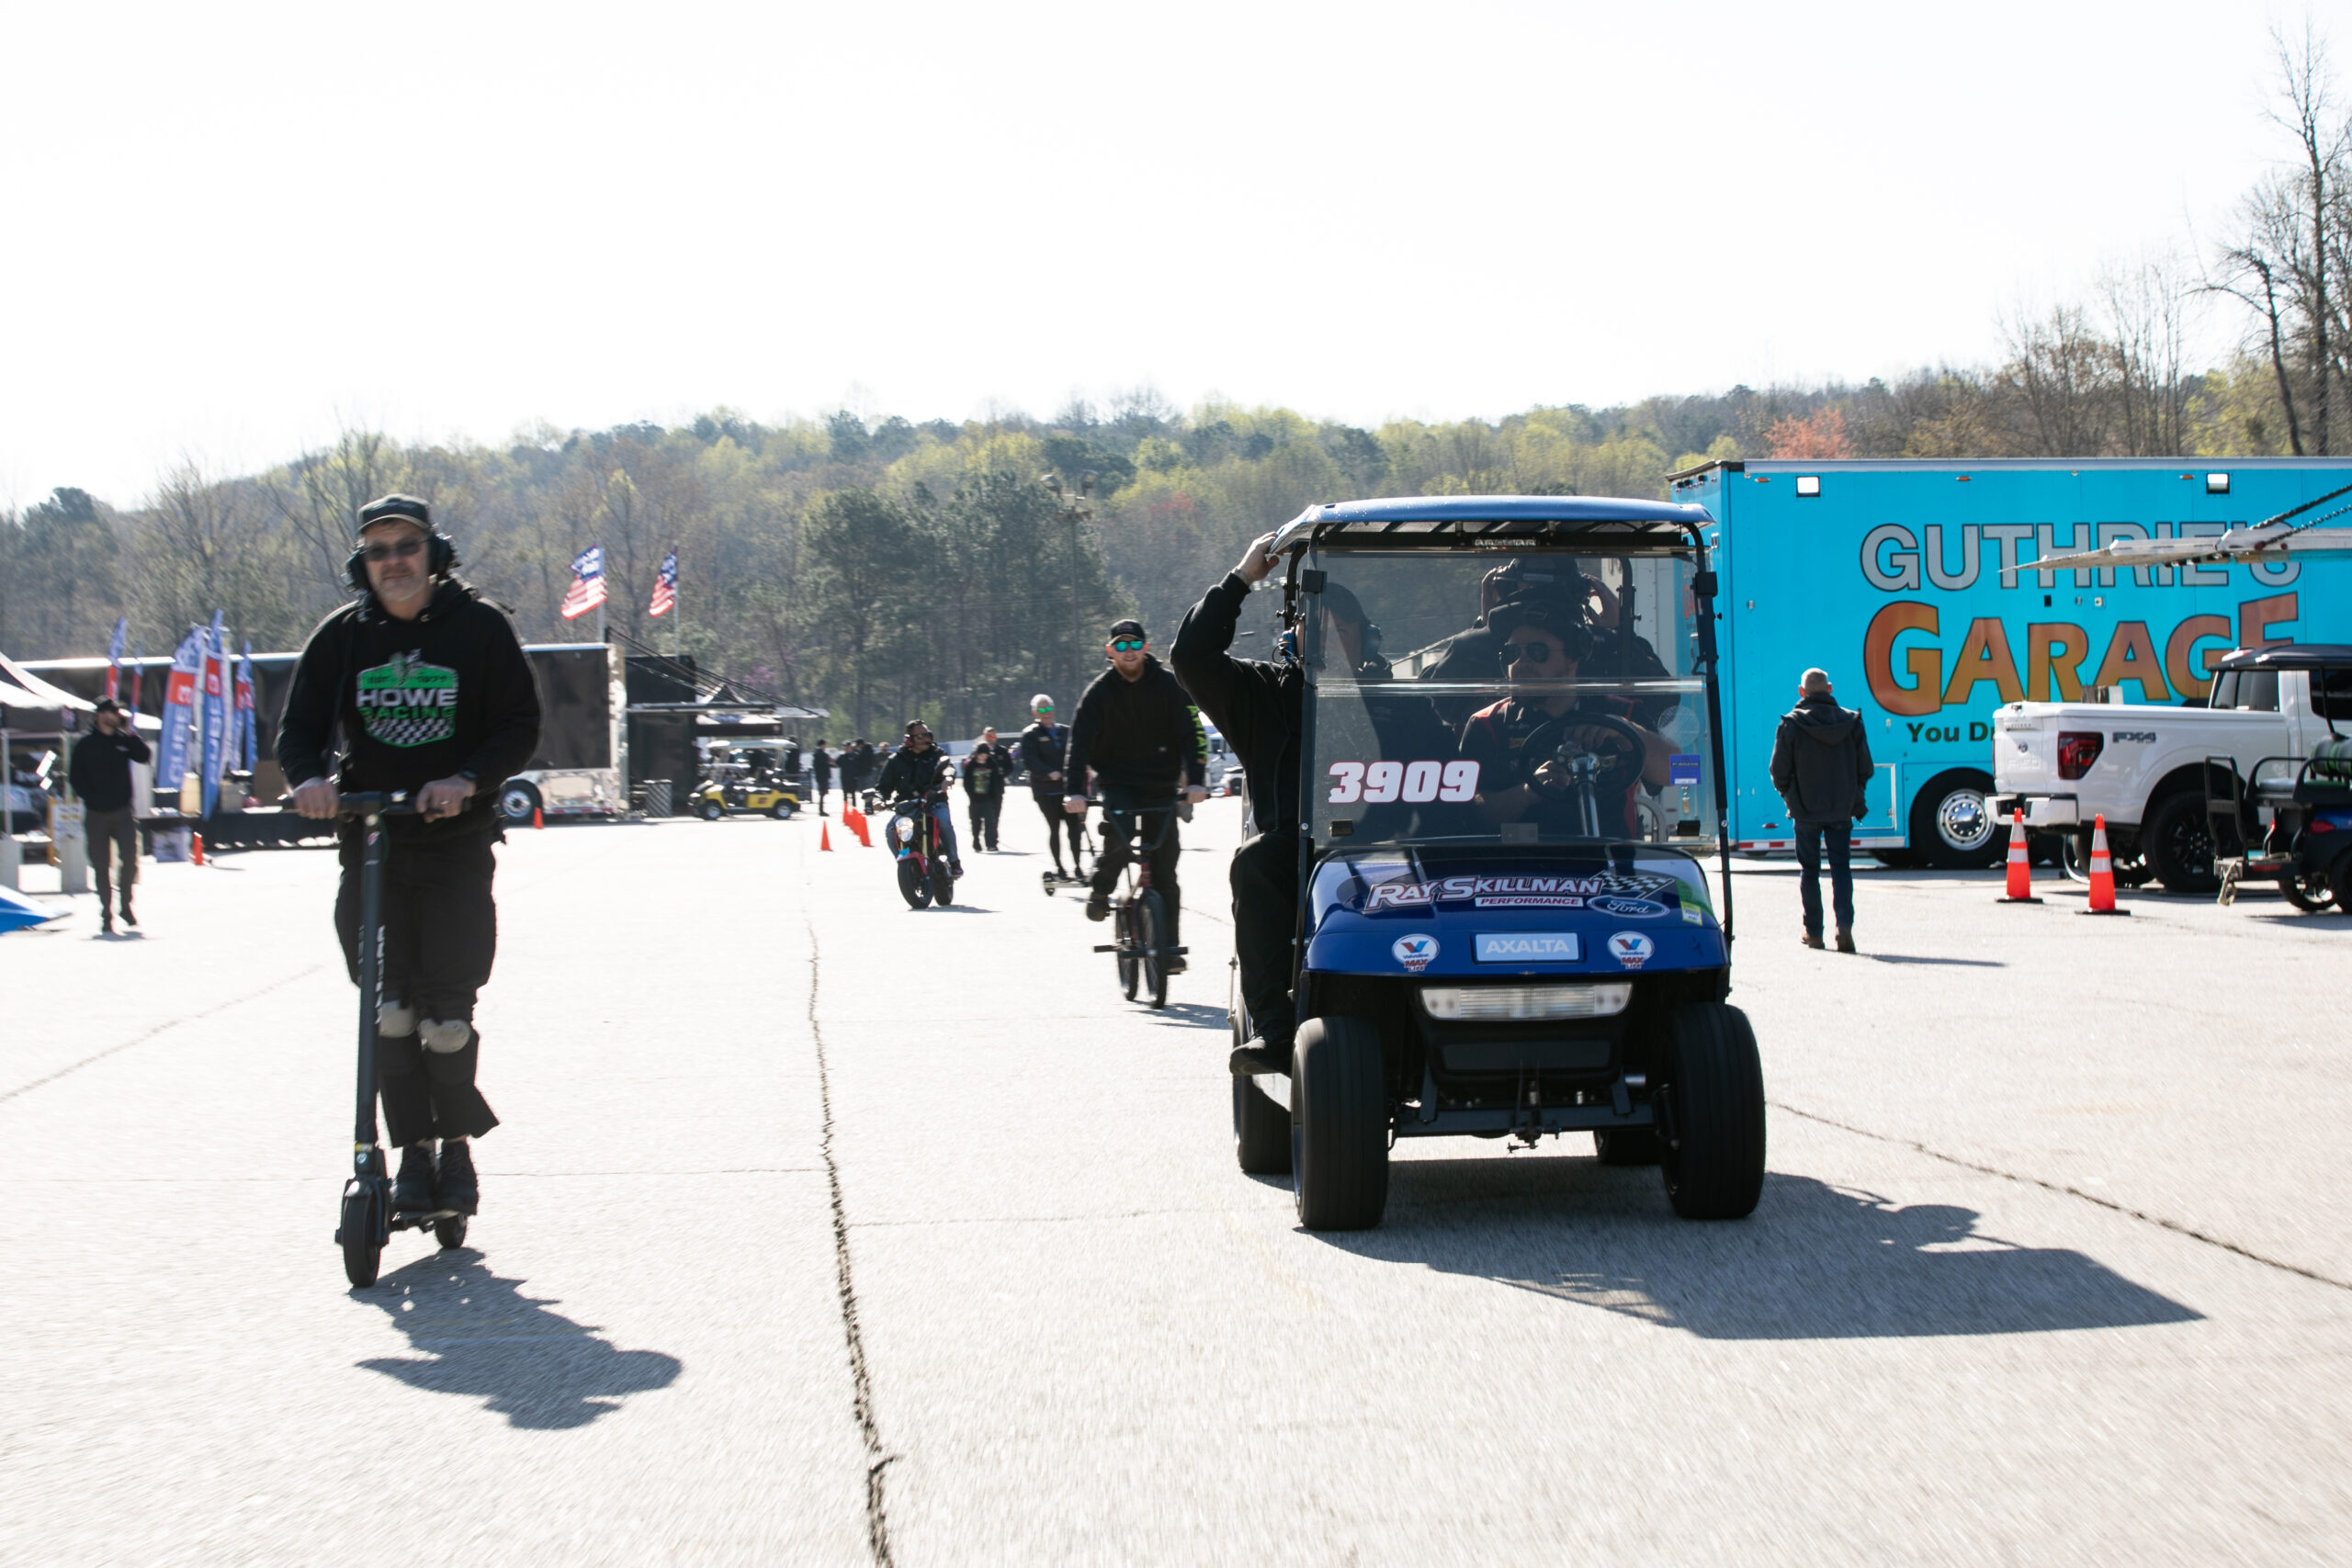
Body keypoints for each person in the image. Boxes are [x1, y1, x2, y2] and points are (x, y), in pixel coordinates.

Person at [279, 493, 541, 1219]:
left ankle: (455, 1147)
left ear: (435, 553)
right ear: (360, 564)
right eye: (378, 550)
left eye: (406, 546)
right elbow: (299, 729)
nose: (392, 561)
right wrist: (308, 780)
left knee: (444, 1019)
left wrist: (467, 779)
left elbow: (519, 724)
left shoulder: (480, 628)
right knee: (389, 1012)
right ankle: (411, 1154)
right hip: (374, 846)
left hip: (455, 848)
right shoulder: (342, 637)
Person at [1455, 596, 1673, 838]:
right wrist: (1526, 793)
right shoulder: (1488, 723)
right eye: (1511, 653)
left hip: (1611, 856)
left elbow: (1683, 772)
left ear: (1572, 659)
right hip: (1521, 859)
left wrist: (1627, 732)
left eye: (1537, 652)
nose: (1521, 663)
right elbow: (1471, 811)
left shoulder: (1621, 712)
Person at [1066, 619, 1207, 965]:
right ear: (1110, 651)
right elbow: (1078, 743)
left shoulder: (1170, 686)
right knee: (1119, 838)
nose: (1128, 652)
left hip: (1161, 786)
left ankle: (1168, 948)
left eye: (1134, 645)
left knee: (1165, 871)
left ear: (1145, 648)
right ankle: (1101, 889)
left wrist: (1196, 781)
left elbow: (1193, 733)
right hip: (1118, 784)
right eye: (1121, 645)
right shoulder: (1098, 692)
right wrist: (1074, 792)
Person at [1770, 666, 1873, 953]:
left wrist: (1790, 798)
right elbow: (1865, 767)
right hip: (1841, 809)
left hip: (1805, 811)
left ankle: (1814, 932)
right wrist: (1853, 795)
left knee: (1809, 871)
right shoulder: (1851, 721)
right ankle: (1844, 927)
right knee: (1841, 868)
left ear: (1801, 692)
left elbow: (1778, 770)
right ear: (1830, 689)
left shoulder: (1791, 724)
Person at [68, 698, 151, 935]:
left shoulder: (123, 741)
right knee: (101, 865)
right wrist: (89, 797)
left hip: (122, 811)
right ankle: (106, 913)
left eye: (115, 713)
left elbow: (143, 756)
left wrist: (130, 733)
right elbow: (75, 776)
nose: (111, 716)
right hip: (96, 813)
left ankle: (125, 904)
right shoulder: (86, 744)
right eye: (107, 713)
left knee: (130, 859)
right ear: (98, 716)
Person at [876, 719, 960, 876]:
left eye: (928, 735)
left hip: (934, 801)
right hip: (908, 806)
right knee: (890, 831)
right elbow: (883, 787)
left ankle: (954, 862)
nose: (926, 739)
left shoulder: (936, 753)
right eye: (921, 736)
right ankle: (904, 863)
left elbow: (949, 767)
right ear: (909, 739)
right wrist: (877, 800)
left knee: (944, 823)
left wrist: (948, 777)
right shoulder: (896, 760)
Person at [1018, 694, 1088, 881]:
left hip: (1068, 789)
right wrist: (1048, 773)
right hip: (1046, 791)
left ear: (1053, 709)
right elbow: (1030, 761)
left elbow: (1077, 754)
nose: (1046, 713)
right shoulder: (1030, 734)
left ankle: (1078, 867)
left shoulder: (1065, 731)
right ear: (1034, 713)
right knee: (1055, 827)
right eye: (1041, 710)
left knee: (1074, 828)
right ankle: (1060, 867)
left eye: (1048, 708)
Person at [960, 726, 1008, 851]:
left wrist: (994, 795)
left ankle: (991, 844)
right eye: (980, 756)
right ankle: (976, 841)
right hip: (975, 798)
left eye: (985, 756)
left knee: (990, 822)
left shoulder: (992, 763)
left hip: (988, 798)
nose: (983, 758)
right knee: (975, 822)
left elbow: (995, 781)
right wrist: (971, 795)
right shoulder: (971, 765)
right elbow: (966, 782)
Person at [811, 742, 834, 815]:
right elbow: (825, 764)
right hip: (823, 776)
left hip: (820, 776)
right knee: (822, 793)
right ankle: (821, 810)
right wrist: (831, 763)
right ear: (822, 745)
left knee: (822, 794)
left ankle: (821, 810)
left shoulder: (817, 754)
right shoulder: (822, 754)